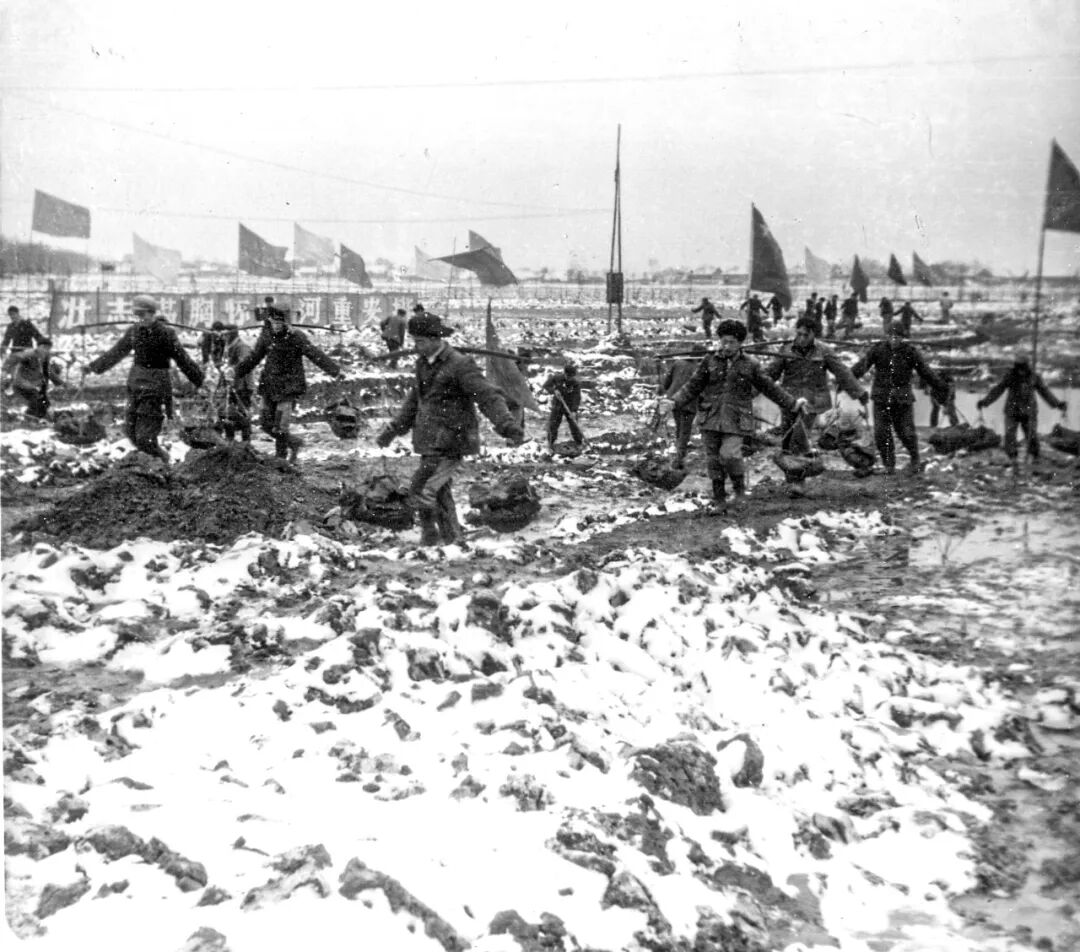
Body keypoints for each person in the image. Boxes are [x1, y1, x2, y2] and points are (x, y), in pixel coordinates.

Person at [376, 312, 524, 546]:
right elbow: (415, 401)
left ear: (435, 339)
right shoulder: (423, 364)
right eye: (415, 341)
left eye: (420, 341)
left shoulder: (460, 365)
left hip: (452, 439)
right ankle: (449, 538)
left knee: (423, 489)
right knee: (439, 492)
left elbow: (486, 395)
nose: (416, 347)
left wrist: (506, 424)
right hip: (428, 439)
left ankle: (431, 537)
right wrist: (393, 430)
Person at [671, 319, 807, 507]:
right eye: (723, 341)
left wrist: (792, 404)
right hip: (710, 417)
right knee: (713, 460)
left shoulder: (750, 364)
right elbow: (693, 385)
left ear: (740, 343)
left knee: (730, 455)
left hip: (736, 420)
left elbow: (769, 387)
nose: (726, 346)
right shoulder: (709, 360)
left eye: (731, 342)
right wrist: (674, 401)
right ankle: (719, 499)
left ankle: (739, 490)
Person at [85, 295, 205, 463]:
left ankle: (163, 462)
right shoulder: (134, 332)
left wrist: (200, 381)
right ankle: (157, 462)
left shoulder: (166, 333)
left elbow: (183, 359)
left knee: (145, 437)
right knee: (130, 432)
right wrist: (92, 367)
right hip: (135, 384)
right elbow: (116, 352)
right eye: (137, 315)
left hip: (155, 386)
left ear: (152, 313)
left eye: (143, 315)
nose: (140, 319)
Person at [232, 305, 342, 462]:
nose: (276, 326)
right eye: (273, 322)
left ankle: (280, 458)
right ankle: (293, 442)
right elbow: (255, 357)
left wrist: (335, 371)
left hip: (289, 387)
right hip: (269, 385)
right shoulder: (266, 336)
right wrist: (237, 371)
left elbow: (314, 354)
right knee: (265, 423)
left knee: (280, 425)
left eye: (279, 323)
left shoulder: (296, 337)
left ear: (286, 323)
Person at [851, 323, 945, 476]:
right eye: (891, 336)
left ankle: (915, 460)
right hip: (881, 398)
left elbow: (925, 371)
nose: (894, 340)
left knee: (907, 432)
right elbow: (861, 367)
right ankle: (889, 466)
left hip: (902, 399)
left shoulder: (910, 352)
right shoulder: (877, 350)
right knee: (881, 433)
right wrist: (846, 380)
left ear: (902, 338)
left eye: (897, 337)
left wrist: (940, 386)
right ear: (887, 336)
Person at [765, 317, 867, 457]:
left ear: (813, 334)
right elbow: (770, 374)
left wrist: (859, 392)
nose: (801, 339)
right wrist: (750, 390)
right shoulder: (786, 349)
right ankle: (793, 457)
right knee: (787, 433)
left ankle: (800, 458)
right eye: (799, 334)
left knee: (801, 431)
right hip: (789, 398)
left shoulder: (824, 350)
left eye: (805, 335)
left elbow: (842, 372)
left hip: (812, 399)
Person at [976, 355, 1067, 462]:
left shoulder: (1034, 377)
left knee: (1031, 435)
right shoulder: (1010, 376)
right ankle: (1012, 458)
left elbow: (1044, 392)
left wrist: (1057, 404)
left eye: (1023, 367)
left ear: (1026, 366)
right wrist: (985, 402)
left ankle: (1034, 456)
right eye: (1019, 367)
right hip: (1012, 411)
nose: (1021, 371)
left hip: (1029, 411)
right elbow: (998, 389)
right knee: (1010, 434)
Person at [660, 344, 706, 467]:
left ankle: (678, 453)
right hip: (689, 403)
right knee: (685, 430)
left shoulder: (678, 363)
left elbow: (666, 382)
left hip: (674, 400)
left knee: (679, 427)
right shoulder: (698, 369)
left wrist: (668, 392)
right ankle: (680, 458)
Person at [2, 337, 64, 419]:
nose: (45, 350)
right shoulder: (30, 354)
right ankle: (29, 418)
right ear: (38, 347)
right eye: (44, 347)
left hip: (33, 385)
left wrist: (60, 383)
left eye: (48, 348)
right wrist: (5, 370)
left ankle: (37, 418)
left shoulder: (45, 357)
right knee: (36, 401)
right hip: (21, 384)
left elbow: (48, 371)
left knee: (44, 404)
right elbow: (14, 357)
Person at [542, 360, 587, 451]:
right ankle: (550, 444)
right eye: (568, 376)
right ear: (565, 373)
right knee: (553, 425)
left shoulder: (575, 383)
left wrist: (574, 411)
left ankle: (579, 443)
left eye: (571, 376)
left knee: (574, 425)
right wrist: (554, 391)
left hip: (569, 406)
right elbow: (546, 385)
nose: (569, 378)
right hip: (557, 405)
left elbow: (577, 397)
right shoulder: (557, 378)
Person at [220, 326, 254, 442]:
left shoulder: (242, 347)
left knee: (243, 414)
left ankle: (246, 442)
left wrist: (231, 369)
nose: (223, 337)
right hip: (233, 385)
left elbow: (245, 364)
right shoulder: (229, 347)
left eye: (225, 335)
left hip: (243, 386)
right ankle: (230, 440)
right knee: (228, 413)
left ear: (231, 335)